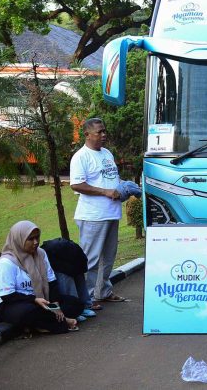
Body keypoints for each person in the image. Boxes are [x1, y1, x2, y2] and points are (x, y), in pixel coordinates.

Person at [70, 118, 127, 304]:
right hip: (93, 216)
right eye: (99, 132)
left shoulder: (107, 153)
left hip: (111, 213)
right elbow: (76, 184)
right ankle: (86, 298)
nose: (104, 135)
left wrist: (124, 188)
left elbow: (111, 178)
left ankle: (103, 292)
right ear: (87, 135)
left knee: (108, 258)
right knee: (90, 259)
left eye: (104, 131)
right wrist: (105, 192)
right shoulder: (81, 157)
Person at [0, 221, 80, 334]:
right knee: (29, 311)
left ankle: (38, 325)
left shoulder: (40, 253)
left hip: (42, 299)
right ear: (19, 240)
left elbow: (51, 282)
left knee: (74, 303)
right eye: (30, 239)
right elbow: (7, 296)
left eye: (37, 237)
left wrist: (55, 305)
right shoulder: (6, 263)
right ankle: (63, 321)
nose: (36, 242)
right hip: (10, 304)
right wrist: (34, 300)